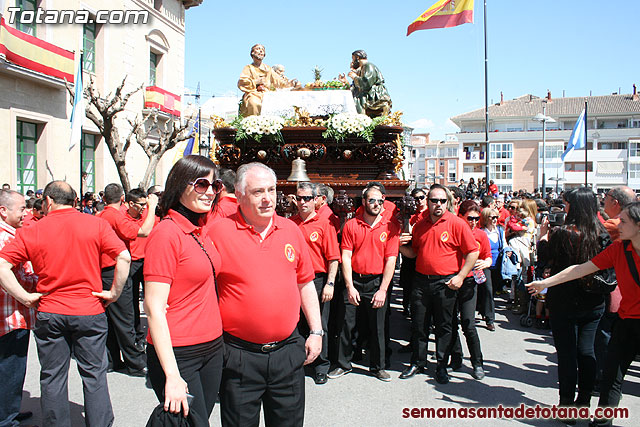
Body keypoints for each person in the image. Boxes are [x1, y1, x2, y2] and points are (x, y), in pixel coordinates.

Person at [0, 181, 130, 427]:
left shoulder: (32, 230)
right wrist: (113, 292)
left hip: (51, 311)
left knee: (52, 376)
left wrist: (25, 297)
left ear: (48, 202)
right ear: (74, 200)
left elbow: (2, 265)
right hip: (88, 309)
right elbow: (123, 255)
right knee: (94, 375)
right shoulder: (96, 224)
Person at [207, 162, 322, 427]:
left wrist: (316, 331)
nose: (268, 198)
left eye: (272, 189)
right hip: (239, 356)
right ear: (239, 194)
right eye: (258, 191)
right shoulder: (217, 233)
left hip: (287, 353)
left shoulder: (291, 230)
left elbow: (305, 283)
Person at [528, 201, 640, 427]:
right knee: (611, 376)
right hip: (627, 322)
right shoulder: (619, 248)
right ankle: (602, 422)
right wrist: (545, 283)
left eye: (624, 221)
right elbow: (581, 269)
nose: (618, 224)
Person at [144, 155, 224, 423]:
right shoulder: (166, 234)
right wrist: (172, 375)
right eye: (202, 184)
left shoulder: (199, 229)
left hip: (212, 347)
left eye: (216, 186)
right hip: (180, 351)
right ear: (180, 185)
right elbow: (154, 307)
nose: (210, 192)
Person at [532, 187, 606, 415]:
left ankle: (566, 404)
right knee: (586, 351)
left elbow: (544, 261)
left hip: (564, 301)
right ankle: (584, 401)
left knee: (567, 355)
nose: (564, 207)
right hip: (593, 300)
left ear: (574, 206)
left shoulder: (565, 233)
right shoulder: (602, 232)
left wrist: (542, 237)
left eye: (566, 203)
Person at [398, 184, 479, 384]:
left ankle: (442, 365)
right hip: (421, 282)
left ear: (447, 202)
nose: (439, 204)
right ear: (428, 202)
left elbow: (473, 252)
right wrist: (398, 246)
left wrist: (461, 276)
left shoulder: (457, 223)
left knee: (444, 327)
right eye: (434, 200)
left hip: (445, 283)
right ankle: (418, 362)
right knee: (419, 325)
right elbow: (414, 252)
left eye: (443, 201)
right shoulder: (421, 225)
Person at [330, 183, 400, 382]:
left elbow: (391, 260)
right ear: (364, 201)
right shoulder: (352, 225)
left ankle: (377, 367)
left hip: (377, 282)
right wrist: (349, 286)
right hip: (354, 282)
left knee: (377, 327)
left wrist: (383, 290)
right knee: (345, 324)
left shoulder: (391, 226)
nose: (376, 204)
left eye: (380, 201)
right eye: (372, 200)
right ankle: (343, 364)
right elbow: (346, 255)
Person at [97, 183, 158, 376]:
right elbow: (143, 231)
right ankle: (135, 363)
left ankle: (113, 359)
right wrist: (152, 207)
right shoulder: (114, 216)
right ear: (123, 199)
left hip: (109, 269)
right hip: (114, 269)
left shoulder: (104, 215)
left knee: (114, 318)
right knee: (125, 318)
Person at [290, 182, 340, 385]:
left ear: (315, 200)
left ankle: (321, 365)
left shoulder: (324, 224)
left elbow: (333, 257)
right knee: (297, 323)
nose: (303, 202)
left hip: (317, 281)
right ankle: (301, 361)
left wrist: (330, 283)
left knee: (319, 325)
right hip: (294, 282)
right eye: (299, 198)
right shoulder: (290, 224)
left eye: (307, 198)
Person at [0, 190, 38, 426]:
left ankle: (8, 409)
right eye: (21, 208)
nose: (26, 212)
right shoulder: (7, 239)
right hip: (11, 315)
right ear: (4, 211)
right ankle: (6, 418)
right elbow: (15, 276)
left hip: (10, 314)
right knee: (11, 369)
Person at [446, 200, 490, 380]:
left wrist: (485, 263)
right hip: (451, 280)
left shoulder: (480, 235)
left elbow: (488, 257)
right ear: (461, 216)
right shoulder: (453, 231)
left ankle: (477, 362)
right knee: (450, 323)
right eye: (469, 218)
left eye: (476, 218)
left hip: (470, 282)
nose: (472, 222)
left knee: (468, 323)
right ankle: (456, 358)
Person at [238, 44, 298, 116]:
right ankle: (253, 124)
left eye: (262, 50)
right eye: (258, 49)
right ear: (252, 53)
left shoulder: (268, 69)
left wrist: (291, 83)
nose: (261, 51)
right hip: (254, 94)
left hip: (267, 94)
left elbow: (278, 81)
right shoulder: (248, 68)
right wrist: (256, 82)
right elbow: (242, 82)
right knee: (254, 103)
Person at [338, 50, 392, 117]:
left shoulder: (368, 65)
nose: (352, 62)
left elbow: (367, 83)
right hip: (368, 93)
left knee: (356, 99)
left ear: (357, 57)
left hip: (374, 94)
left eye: (353, 59)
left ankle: (360, 120)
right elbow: (357, 88)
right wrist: (346, 82)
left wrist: (355, 77)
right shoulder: (363, 68)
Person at [480, 207, 506, 325]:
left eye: (496, 217)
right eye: (492, 217)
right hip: (485, 265)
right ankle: (490, 319)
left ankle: (483, 309)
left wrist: (508, 251)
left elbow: (504, 245)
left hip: (498, 264)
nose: (495, 219)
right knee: (488, 290)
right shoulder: (482, 232)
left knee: (493, 290)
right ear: (486, 218)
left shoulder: (500, 231)